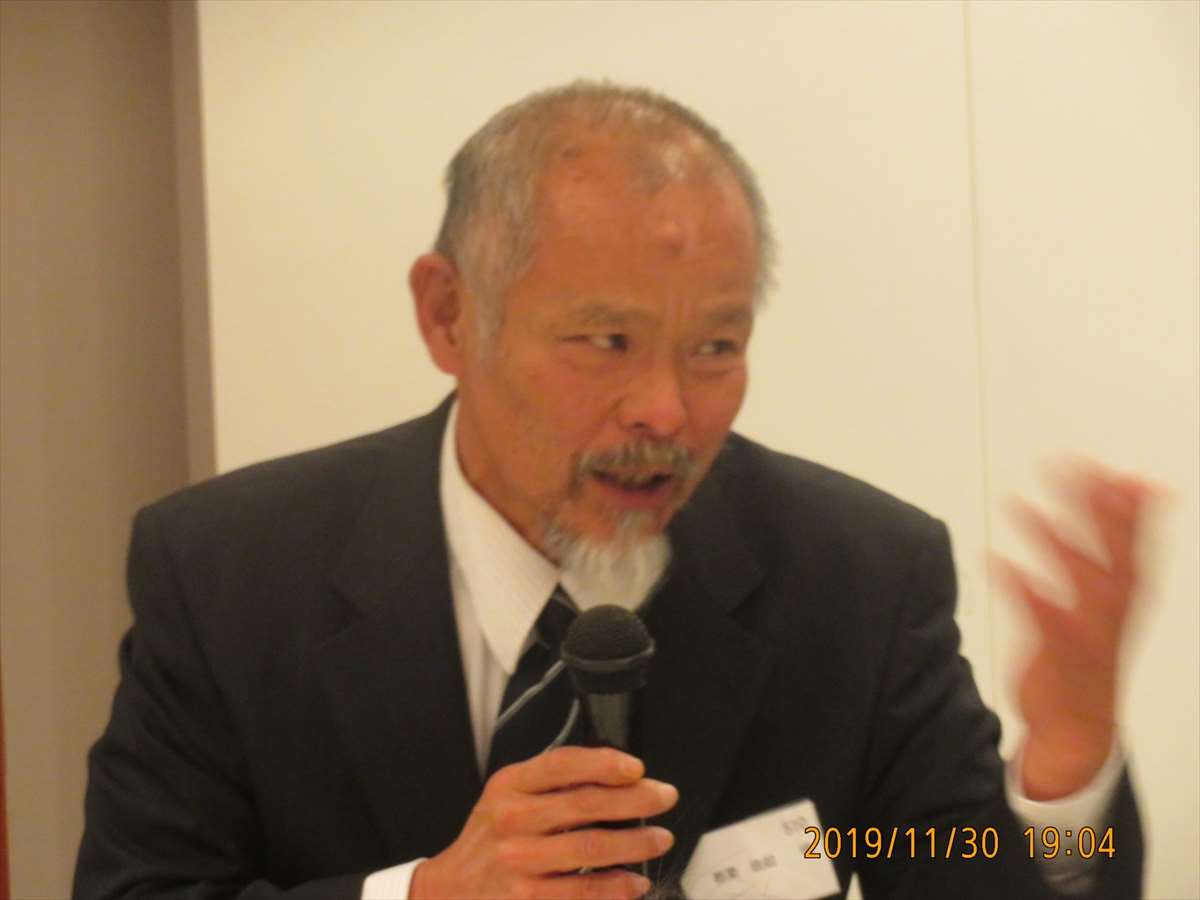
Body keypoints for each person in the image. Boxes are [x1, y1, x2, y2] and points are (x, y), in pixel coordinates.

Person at [75, 81, 1151, 900]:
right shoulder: (229, 574)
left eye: (715, 346)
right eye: (608, 341)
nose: (667, 413)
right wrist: (424, 898)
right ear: (449, 315)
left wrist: (1064, 772)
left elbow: (951, 865)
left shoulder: (857, 577)